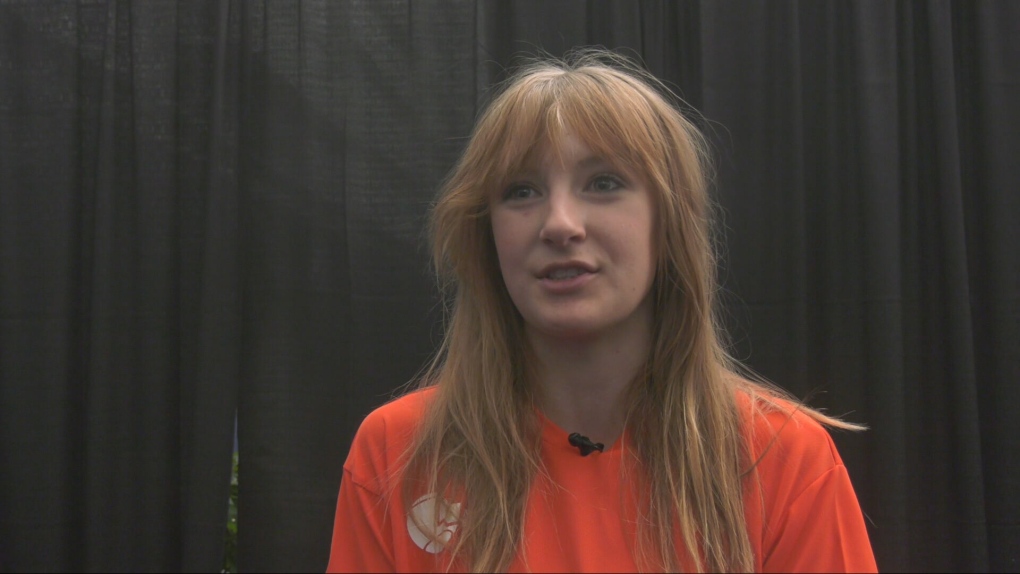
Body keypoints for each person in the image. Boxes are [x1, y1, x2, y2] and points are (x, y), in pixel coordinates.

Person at [326, 50, 877, 573]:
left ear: (670, 226)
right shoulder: (396, 453)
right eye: (521, 190)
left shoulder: (784, 461)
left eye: (604, 183)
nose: (560, 223)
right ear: (486, 235)